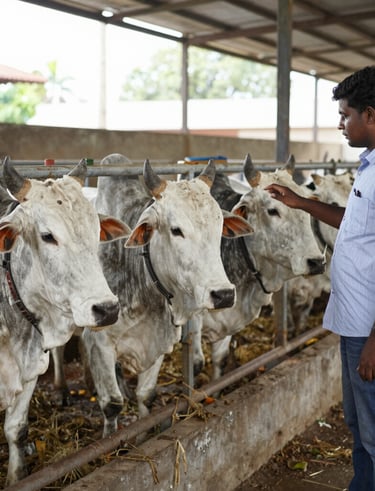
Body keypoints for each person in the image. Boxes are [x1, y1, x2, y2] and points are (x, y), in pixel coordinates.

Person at [265, 65, 375, 491]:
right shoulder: (367, 168)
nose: (340, 124)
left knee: (371, 426)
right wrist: (303, 203)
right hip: (355, 323)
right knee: (357, 421)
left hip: (368, 328)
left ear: (370, 114)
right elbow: (356, 225)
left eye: (345, 115)